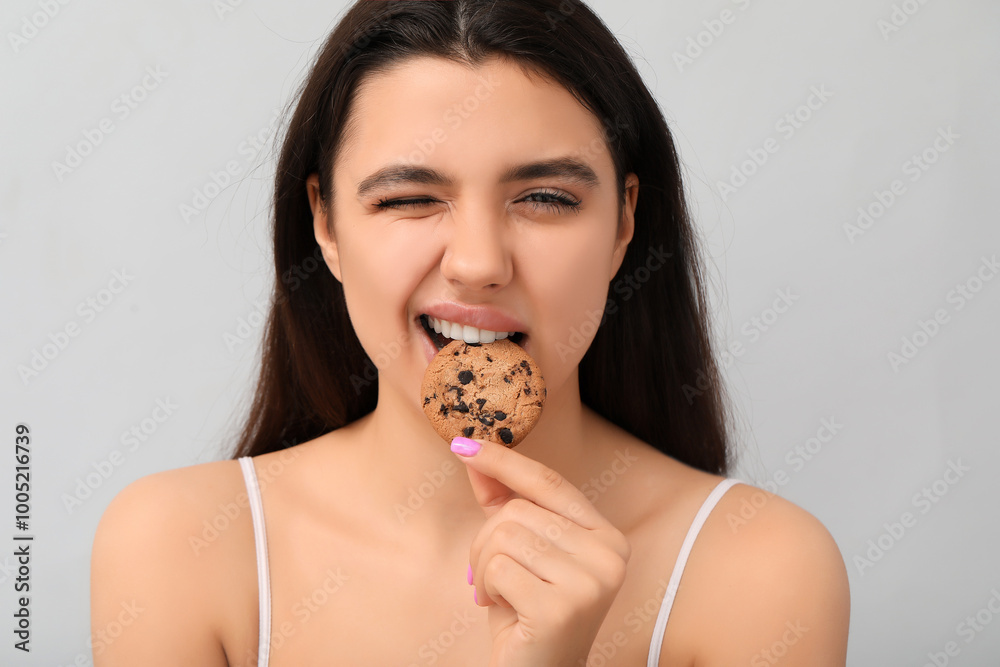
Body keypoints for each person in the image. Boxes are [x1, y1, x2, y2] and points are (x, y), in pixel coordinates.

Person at [90, 1, 850, 665]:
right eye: (410, 198)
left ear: (624, 221)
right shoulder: (175, 551)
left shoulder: (761, 571)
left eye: (545, 197)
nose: (479, 263)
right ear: (325, 223)